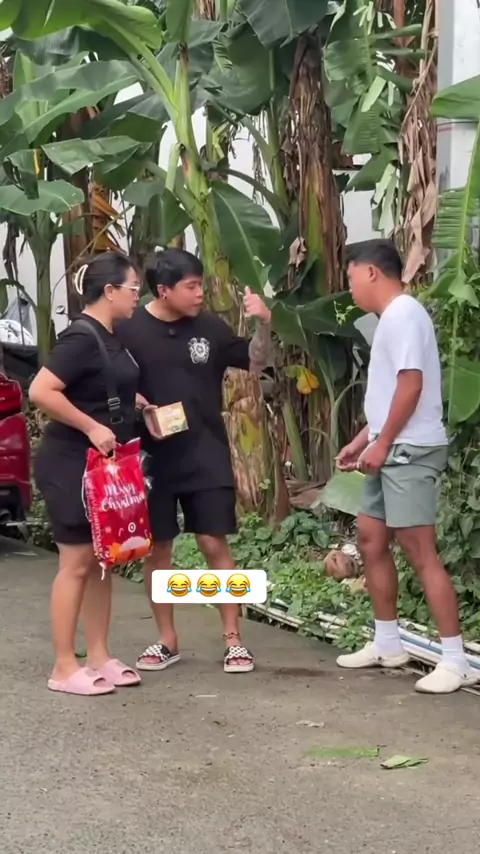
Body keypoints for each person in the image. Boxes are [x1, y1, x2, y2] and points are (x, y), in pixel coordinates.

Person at [116, 248, 272, 675]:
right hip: (152, 459)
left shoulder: (210, 328)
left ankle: (233, 639)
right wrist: (135, 402)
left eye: (201, 284)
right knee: (158, 549)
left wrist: (264, 323)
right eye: (191, 286)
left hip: (206, 451)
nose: (200, 293)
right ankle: (167, 639)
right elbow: (107, 381)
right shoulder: (128, 330)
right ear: (163, 290)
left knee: (213, 542)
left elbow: (256, 360)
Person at [335, 239, 477, 694]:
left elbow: (411, 387)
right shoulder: (391, 319)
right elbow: (389, 395)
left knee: (419, 550)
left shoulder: (404, 315)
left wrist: (383, 444)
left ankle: (456, 661)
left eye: (351, 277)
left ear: (371, 272)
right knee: (370, 538)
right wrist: (362, 441)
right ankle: (387, 642)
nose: (350, 288)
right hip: (389, 446)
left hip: (410, 450)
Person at [30, 252, 143, 696]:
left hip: (104, 467)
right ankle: (64, 666)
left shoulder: (113, 336)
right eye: (133, 289)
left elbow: (104, 386)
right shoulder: (81, 337)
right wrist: (91, 426)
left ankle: (99, 655)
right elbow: (41, 390)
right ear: (109, 291)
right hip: (71, 463)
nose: (137, 297)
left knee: (101, 562)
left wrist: (139, 406)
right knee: (76, 564)